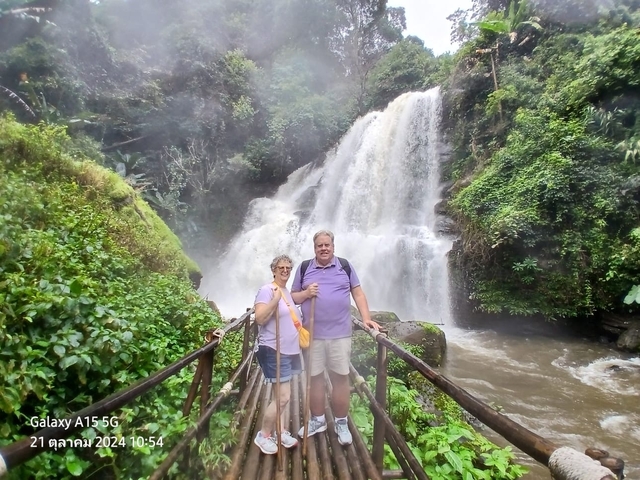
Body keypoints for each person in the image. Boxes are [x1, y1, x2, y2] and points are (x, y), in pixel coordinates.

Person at [291, 230, 380, 446]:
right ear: (314, 248)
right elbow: (293, 296)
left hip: (340, 334)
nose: (323, 248)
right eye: (319, 245)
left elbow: (357, 293)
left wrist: (366, 318)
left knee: (340, 377)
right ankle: (318, 420)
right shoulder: (304, 268)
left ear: (333, 246)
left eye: (327, 245)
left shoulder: (344, 266)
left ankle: (340, 422)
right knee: (315, 378)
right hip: (313, 335)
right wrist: (306, 294)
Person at [253, 254, 301, 455]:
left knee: (279, 395)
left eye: (288, 268)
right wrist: (274, 300)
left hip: (289, 350)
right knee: (283, 397)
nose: (285, 271)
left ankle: (280, 431)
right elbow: (260, 319)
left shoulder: (286, 291)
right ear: (273, 270)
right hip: (273, 349)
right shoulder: (267, 290)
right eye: (281, 267)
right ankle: (263, 435)